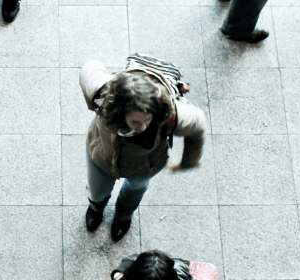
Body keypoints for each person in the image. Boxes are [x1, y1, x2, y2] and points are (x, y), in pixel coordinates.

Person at [80, 56, 206, 241]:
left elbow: (198, 122)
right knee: (97, 188)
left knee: (135, 189)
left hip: (146, 164)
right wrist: (92, 101)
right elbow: (89, 67)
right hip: (101, 154)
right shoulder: (103, 94)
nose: (142, 128)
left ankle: (123, 216)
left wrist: (188, 161)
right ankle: (95, 208)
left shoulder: (168, 113)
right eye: (135, 122)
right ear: (119, 111)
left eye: (148, 120)